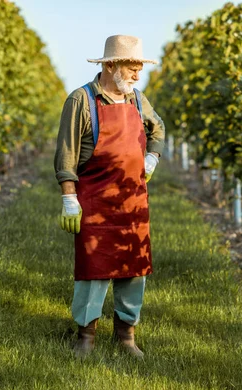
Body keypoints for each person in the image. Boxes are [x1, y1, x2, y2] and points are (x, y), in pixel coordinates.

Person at [54, 35, 165, 358]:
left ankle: (126, 335)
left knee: (133, 268)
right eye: (132, 68)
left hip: (133, 201)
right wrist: (68, 197)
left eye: (139, 69)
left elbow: (157, 128)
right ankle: (85, 336)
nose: (136, 75)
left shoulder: (137, 100)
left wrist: (152, 157)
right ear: (111, 66)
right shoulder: (82, 101)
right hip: (95, 200)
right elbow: (66, 155)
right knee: (93, 268)